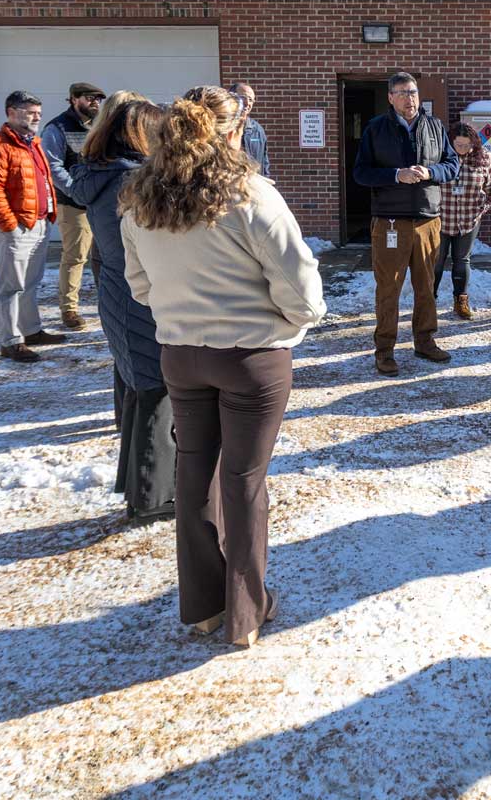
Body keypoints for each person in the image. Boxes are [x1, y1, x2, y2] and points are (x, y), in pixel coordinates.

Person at [120, 97, 325, 647]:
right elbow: (300, 283)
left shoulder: (139, 199)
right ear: (226, 136)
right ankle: (245, 613)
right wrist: (292, 324)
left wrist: (182, 307)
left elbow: (140, 287)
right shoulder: (249, 194)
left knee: (194, 476)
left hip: (181, 352)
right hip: (249, 356)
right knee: (241, 481)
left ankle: (206, 606)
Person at [67, 92, 177, 523]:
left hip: (118, 291)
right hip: (139, 296)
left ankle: (139, 487)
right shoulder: (131, 181)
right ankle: (151, 497)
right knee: (154, 392)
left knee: (138, 390)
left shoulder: (99, 172)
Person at [352, 71, 460, 376]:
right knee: (389, 289)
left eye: (412, 92)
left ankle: (425, 341)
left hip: (428, 220)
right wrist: (395, 175)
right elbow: (361, 173)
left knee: (426, 286)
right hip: (390, 222)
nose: (408, 98)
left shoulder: (435, 127)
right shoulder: (376, 129)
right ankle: (384, 350)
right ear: (390, 97)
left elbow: (452, 166)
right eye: (400, 93)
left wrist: (430, 173)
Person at [0, 90, 66, 363]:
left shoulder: (33, 143)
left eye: (38, 112)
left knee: (31, 283)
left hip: (38, 223)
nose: (37, 116)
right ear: (11, 112)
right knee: (11, 287)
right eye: (30, 112)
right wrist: (9, 225)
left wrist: (48, 215)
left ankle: (31, 330)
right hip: (15, 227)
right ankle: (11, 341)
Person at [41, 81, 105, 330]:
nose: (95, 103)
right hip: (74, 203)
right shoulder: (57, 128)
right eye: (89, 98)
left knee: (104, 256)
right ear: (73, 99)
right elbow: (53, 166)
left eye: (98, 99)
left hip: (99, 201)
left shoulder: (100, 124)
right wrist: (76, 191)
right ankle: (69, 309)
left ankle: (105, 302)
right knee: (76, 256)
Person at [434, 123, 491, 319]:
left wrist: (482, 208)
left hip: (468, 220)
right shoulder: (440, 156)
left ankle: (460, 301)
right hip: (440, 219)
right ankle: (429, 300)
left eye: (467, 145)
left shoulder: (484, 158)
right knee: (435, 262)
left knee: (462, 261)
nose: (463, 149)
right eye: (459, 145)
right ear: (450, 142)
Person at [230, 81, 271, 178]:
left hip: (254, 188)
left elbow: (264, 164)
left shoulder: (257, 130)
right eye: (243, 97)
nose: (247, 103)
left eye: (251, 100)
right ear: (230, 98)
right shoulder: (221, 127)